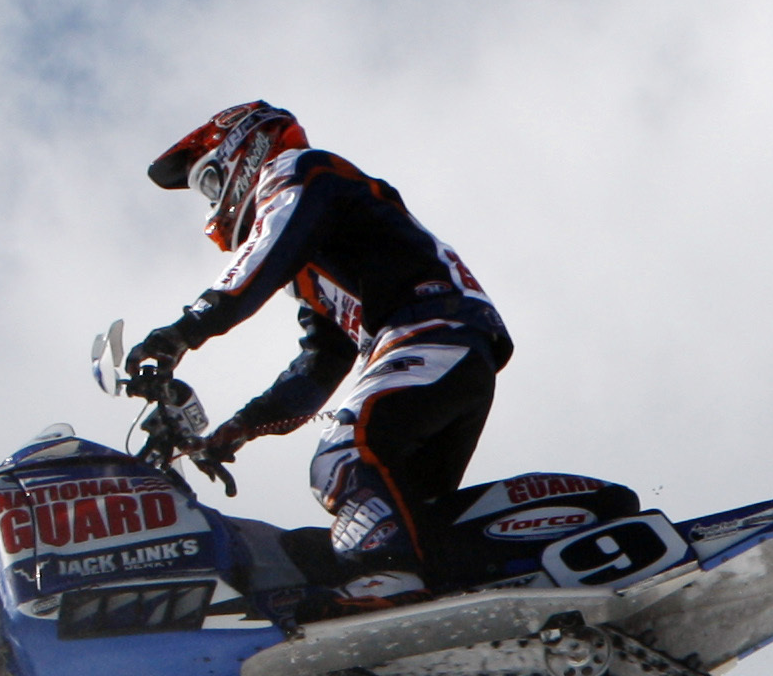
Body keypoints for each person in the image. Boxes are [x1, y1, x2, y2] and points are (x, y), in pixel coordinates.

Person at [120, 102, 516, 615]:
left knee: (343, 453)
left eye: (211, 185)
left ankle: (389, 588)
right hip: (441, 349)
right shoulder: (314, 258)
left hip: (431, 329)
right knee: (410, 513)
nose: (212, 210)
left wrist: (182, 331)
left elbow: (264, 255)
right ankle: (451, 609)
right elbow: (322, 361)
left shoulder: (299, 172)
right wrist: (245, 425)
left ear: (246, 150)